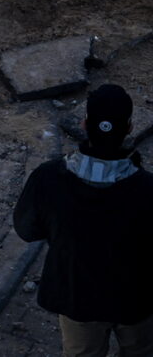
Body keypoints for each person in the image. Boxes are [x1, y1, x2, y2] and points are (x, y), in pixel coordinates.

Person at [14, 83, 153, 356]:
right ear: (128, 128)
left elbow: (27, 229)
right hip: (135, 300)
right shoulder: (148, 190)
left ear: (84, 123)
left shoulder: (48, 178)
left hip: (77, 298)